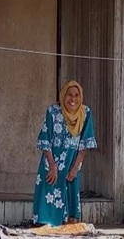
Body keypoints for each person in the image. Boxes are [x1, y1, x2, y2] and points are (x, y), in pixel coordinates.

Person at [32, 80, 97, 226]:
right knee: (48, 192)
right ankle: (45, 226)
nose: (73, 99)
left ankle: (67, 227)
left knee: (69, 193)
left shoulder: (85, 113)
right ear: (63, 96)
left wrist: (75, 167)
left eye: (76, 95)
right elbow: (45, 140)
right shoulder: (53, 112)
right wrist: (53, 166)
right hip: (52, 162)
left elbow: (85, 143)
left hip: (72, 163)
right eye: (69, 95)